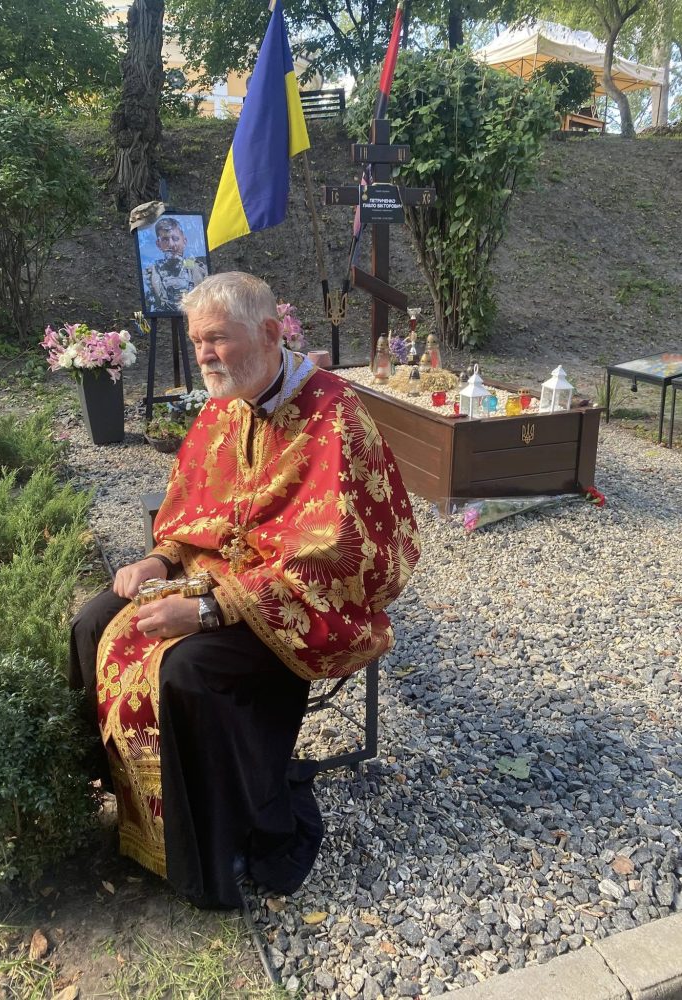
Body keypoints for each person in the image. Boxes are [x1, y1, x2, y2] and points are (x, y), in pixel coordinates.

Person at [69, 272, 421, 909]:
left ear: (268, 333)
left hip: (296, 606)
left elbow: (341, 556)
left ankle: (206, 852)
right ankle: (126, 799)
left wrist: (208, 609)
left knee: (185, 671)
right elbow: (191, 504)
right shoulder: (223, 404)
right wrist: (159, 558)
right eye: (196, 341)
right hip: (205, 571)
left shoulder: (335, 415)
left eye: (217, 339)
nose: (203, 355)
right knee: (93, 622)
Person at [144, 217, 208, 314]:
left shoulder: (200, 270)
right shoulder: (149, 275)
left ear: (184, 241)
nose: (171, 244)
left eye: (175, 239)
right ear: (158, 244)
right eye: (165, 239)